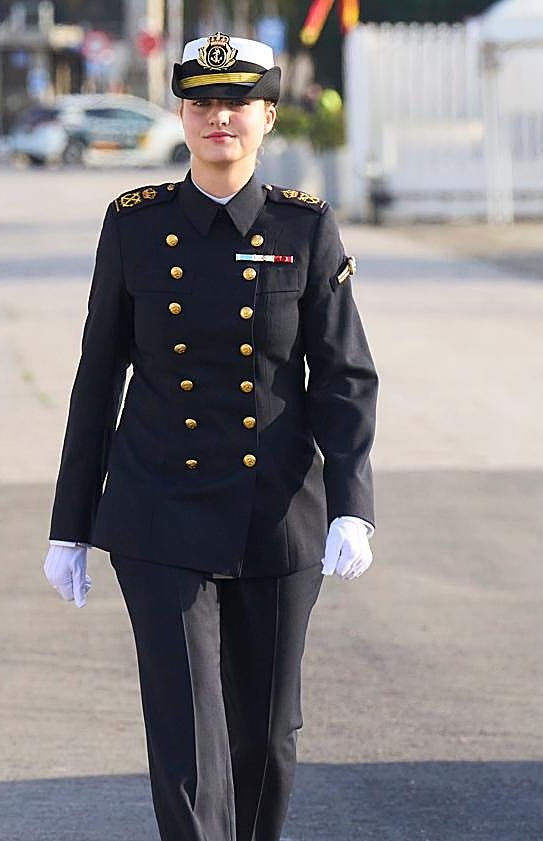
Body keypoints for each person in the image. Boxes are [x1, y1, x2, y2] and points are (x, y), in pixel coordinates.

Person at [44, 32, 378, 841]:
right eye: (201, 103)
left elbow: (342, 376)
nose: (217, 117)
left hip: (276, 513)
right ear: (181, 115)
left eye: (235, 103)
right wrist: (69, 523)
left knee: (266, 733)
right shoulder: (134, 225)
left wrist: (351, 504)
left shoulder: (304, 227)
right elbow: (99, 376)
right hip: (158, 509)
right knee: (186, 734)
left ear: (267, 117)